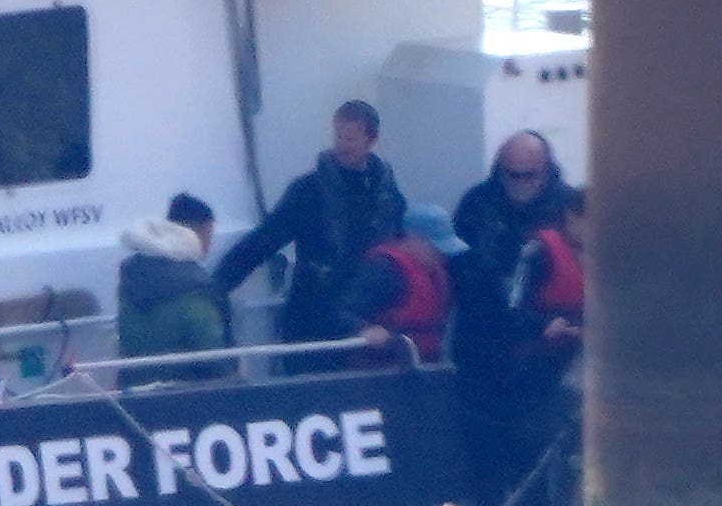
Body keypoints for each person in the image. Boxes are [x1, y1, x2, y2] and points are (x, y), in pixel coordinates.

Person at [212, 100, 407, 347]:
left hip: (370, 318)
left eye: (350, 139)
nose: (341, 146)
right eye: (339, 136)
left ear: (371, 140)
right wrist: (216, 288)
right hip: (312, 318)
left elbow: (400, 251)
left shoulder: (389, 197)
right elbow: (263, 242)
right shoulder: (308, 191)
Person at [450, 130, 572, 506]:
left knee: (537, 463)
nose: (519, 185)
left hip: (546, 363)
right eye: (511, 174)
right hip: (483, 356)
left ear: (546, 170)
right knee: (483, 463)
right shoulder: (476, 206)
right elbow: (464, 278)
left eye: (529, 175)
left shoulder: (569, 213)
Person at [495, 186, 587, 506]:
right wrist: (543, 326)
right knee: (540, 449)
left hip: (582, 372)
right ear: (573, 218)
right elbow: (510, 311)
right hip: (537, 372)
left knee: (574, 454)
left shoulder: (607, 255)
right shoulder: (538, 251)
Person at [116, 193, 230, 388]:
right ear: (198, 232)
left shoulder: (131, 280)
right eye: (209, 234)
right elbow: (213, 358)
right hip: (189, 397)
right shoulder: (195, 290)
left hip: (135, 393)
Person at [334, 202, 466, 368]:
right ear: (412, 239)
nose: (441, 255)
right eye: (434, 247)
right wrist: (364, 329)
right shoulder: (385, 270)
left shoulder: (438, 273)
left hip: (423, 367)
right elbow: (342, 312)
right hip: (378, 371)